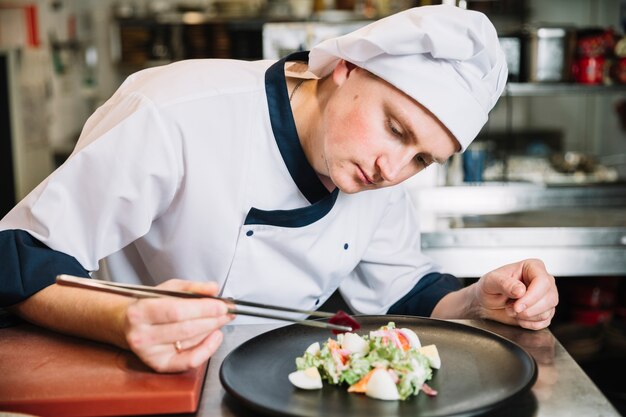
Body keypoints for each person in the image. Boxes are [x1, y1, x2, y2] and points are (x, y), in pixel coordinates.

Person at [0, 5, 558, 373]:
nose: (393, 170)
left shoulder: (379, 172)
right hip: (132, 378)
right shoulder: (175, 113)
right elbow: (17, 259)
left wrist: (478, 301)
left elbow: (400, 295)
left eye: (422, 159)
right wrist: (124, 319)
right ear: (346, 68)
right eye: (395, 128)